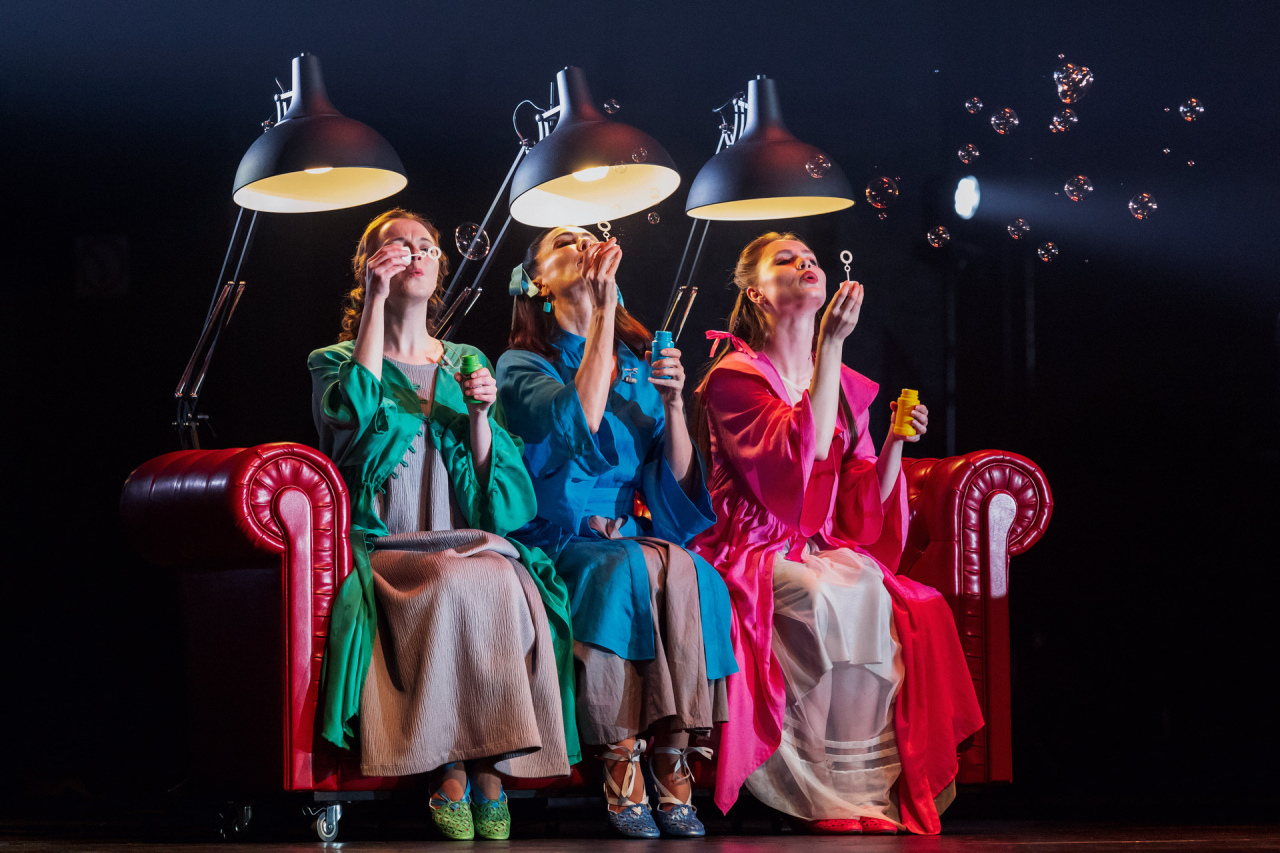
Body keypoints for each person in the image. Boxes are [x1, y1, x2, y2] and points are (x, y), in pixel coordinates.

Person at [689, 232, 984, 836]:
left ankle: (856, 789)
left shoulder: (846, 383)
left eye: (812, 258)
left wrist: (895, 443)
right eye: (785, 260)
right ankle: (815, 786)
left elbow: (855, 501)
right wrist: (830, 345)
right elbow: (792, 472)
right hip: (752, 543)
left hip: (818, 545)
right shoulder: (733, 376)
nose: (805, 263)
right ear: (756, 293)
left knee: (872, 592)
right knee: (816, 594)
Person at [308, 209, 578, 841]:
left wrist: (480, 415)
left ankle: (487, 762)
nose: (413, 253)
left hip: (463, 538)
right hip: (390, 544)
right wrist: (377, 299)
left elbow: (495, 490)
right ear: (368, 266)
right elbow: (353, 418)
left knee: (509, 580)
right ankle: (453, 765)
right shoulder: (333, 360)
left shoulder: (464, 359)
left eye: (425, 246)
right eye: (396, 246)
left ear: (438, 268)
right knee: (453, 580)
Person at [495, 226, 736, 838]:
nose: (582, 245)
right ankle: (620, 758)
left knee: (694, 571)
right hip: (555, 535)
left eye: (588, 237)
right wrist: (604, 313)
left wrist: (675, 406)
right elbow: (580, 421)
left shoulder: (636, 364)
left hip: (625, 535)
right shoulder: (521, 365)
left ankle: (673, 754)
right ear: (537, 282)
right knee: (624, 569)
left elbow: (673, 484)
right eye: (563, 242)